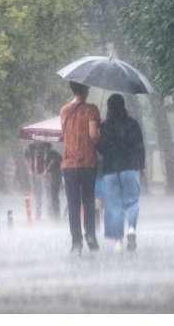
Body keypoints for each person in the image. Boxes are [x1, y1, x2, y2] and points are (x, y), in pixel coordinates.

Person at [96, 94, 145, 253]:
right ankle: (131, 228)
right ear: (124, 106)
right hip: (130, 168)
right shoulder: (133, 124)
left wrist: (99, 134)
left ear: (109, 107)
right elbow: (140, 147)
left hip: (110, 170)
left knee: (113, 206)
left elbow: (101, 149)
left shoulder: (104, 127)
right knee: (132, 202)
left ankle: (118, 241)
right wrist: (141, 167)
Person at [60, 81, 101, 255]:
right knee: (88, 201)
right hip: (87, 163)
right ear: (86, 90)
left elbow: (65, 134)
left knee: (73, 204)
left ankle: (76, 242)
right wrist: (99, 134)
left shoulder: (64, 111)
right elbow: (93, 136)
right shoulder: (91, 109)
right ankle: (90, 235)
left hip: (69, 164)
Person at [24, 141, 47, 220]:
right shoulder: (30, 147)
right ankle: (37, 213)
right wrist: (29, 169)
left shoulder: (46, 146)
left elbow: (49, 159)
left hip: (42, 173)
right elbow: (26, 158)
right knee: (36, 193)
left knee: (43, 192)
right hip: (33, 173)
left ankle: (44, 214)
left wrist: (46, 170)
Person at [43, 143, 63, 222]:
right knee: (55, 196)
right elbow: (61, 161)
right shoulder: (56, 153)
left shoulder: (49, 153)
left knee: (53, 195)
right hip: (58, 175)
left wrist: (46, 170)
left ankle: (55, 215)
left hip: (53, 176)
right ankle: (56, 214)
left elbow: (51, 161)